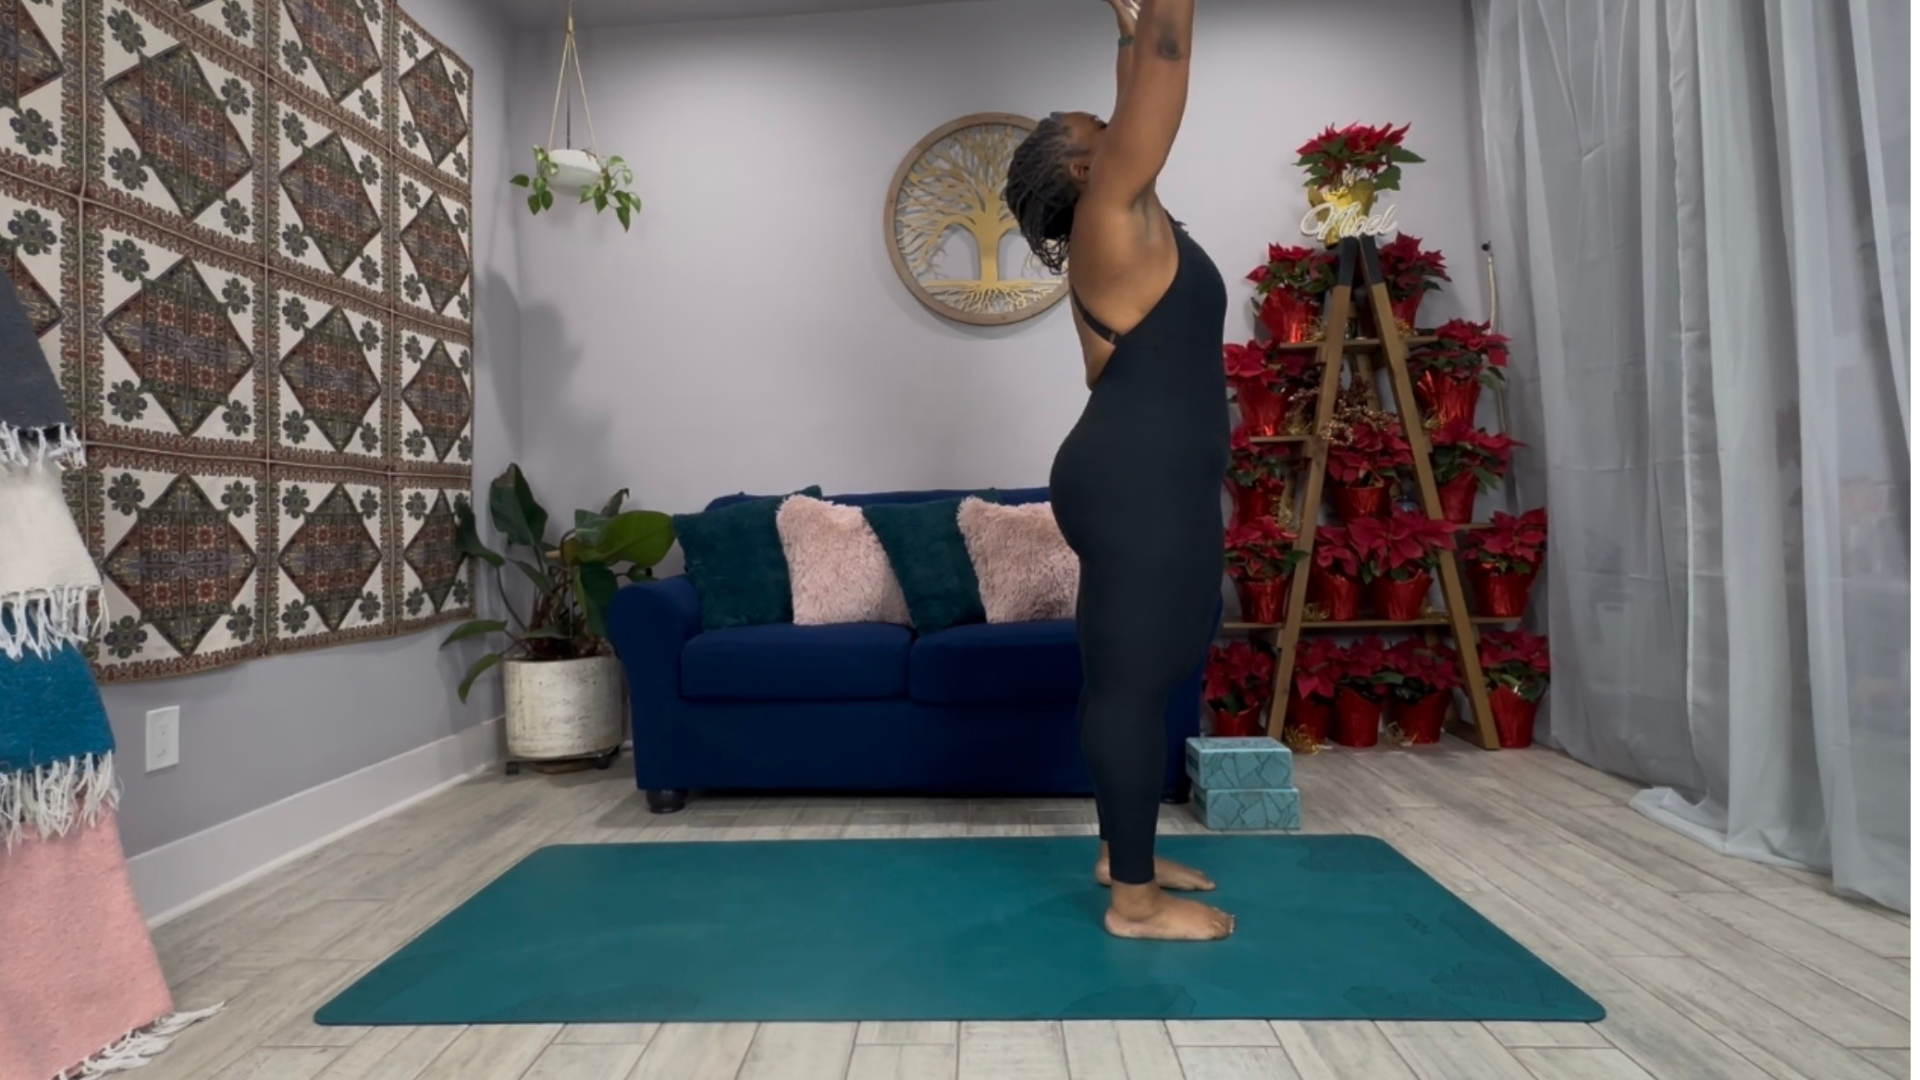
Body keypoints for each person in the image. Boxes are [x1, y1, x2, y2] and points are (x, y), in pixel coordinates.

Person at [1005, 0, 1232, 941]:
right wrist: (1158, 24)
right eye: (1098, 126)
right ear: (1080, 168)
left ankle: (1119, 851)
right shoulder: (1111, 209)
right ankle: (1134, 903)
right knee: (1137, 684)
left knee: (1144, 669)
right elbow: (1167, 60)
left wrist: (1127, 27)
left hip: (1141, 475)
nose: (1117, 118)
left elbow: (1143, 65)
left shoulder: (1123, 212)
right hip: (1139, 479)